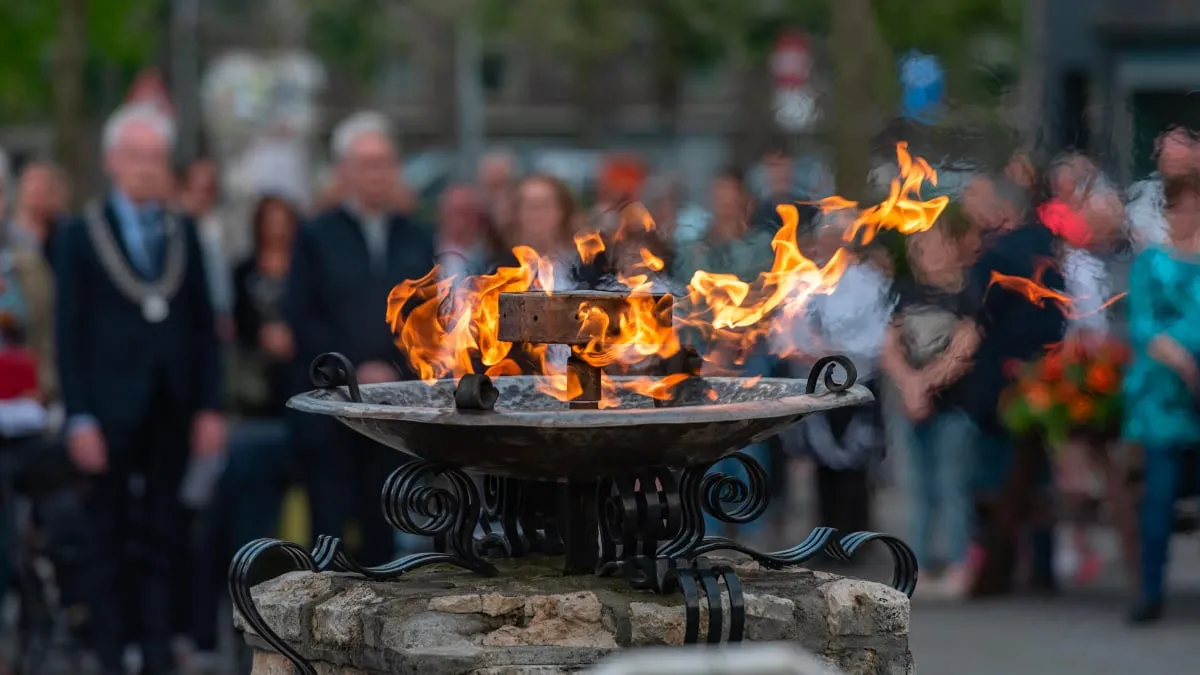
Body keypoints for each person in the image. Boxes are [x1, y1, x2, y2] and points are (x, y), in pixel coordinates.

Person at [54, 103, 224, 675]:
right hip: (106, 409)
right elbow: (68, 333)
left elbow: (204, 327)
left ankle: (156, 650)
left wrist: (209, 406)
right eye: (136, 156)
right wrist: (79, 416)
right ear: (112, 161)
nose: (148, 167)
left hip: (171, 405)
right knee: (106, 534)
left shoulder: (183, 231)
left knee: (164, 534)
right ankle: (110, 651)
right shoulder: (81, 234)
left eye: (156, 156)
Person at [284, 111, 435, 566]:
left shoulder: (415, 235)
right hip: (331, 405)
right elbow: (302, 316)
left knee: (384, 524)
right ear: (344, 170)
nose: (377, 174)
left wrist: (393, 369)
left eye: (385, 163)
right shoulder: (316, 235)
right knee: (329, 527)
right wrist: (352, 369)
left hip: (393, 404)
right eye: (366, 164)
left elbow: (427, 317)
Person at [961, 174, 1066, 595]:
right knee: (1037, 476)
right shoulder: (1049, 251)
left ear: (1002, 210)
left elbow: (977, 318)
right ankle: (1042, 568)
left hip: (997, 386)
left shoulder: (995, 258)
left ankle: (996, 570)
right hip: (1042, 380)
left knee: (992, 480)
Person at [882, 223, 980, 597]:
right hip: (912, 407)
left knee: (951, 485)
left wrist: (923, 385)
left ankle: (958, 565)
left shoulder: (966, 294)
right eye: (923, 249)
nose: (931, 256)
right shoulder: (903, 294)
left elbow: (964, 348)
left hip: (953, 407)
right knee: (918, 489)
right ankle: (917, 566)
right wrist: (909, 386)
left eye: (938, 247)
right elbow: (889, 346)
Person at [1123, 172, 1200, 623]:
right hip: (1161, 401)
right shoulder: (1150, 263)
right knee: (1159, 497)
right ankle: (1149, 593)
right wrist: (1179, 357)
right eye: (1178, 207)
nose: (1184, 216)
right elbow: (1142, 324)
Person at [178, 157, 235, 338]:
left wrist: (224, 313)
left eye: (210, 189)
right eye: (199, 189)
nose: (203, 197)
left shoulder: (218, 226)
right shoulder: (174, 229)